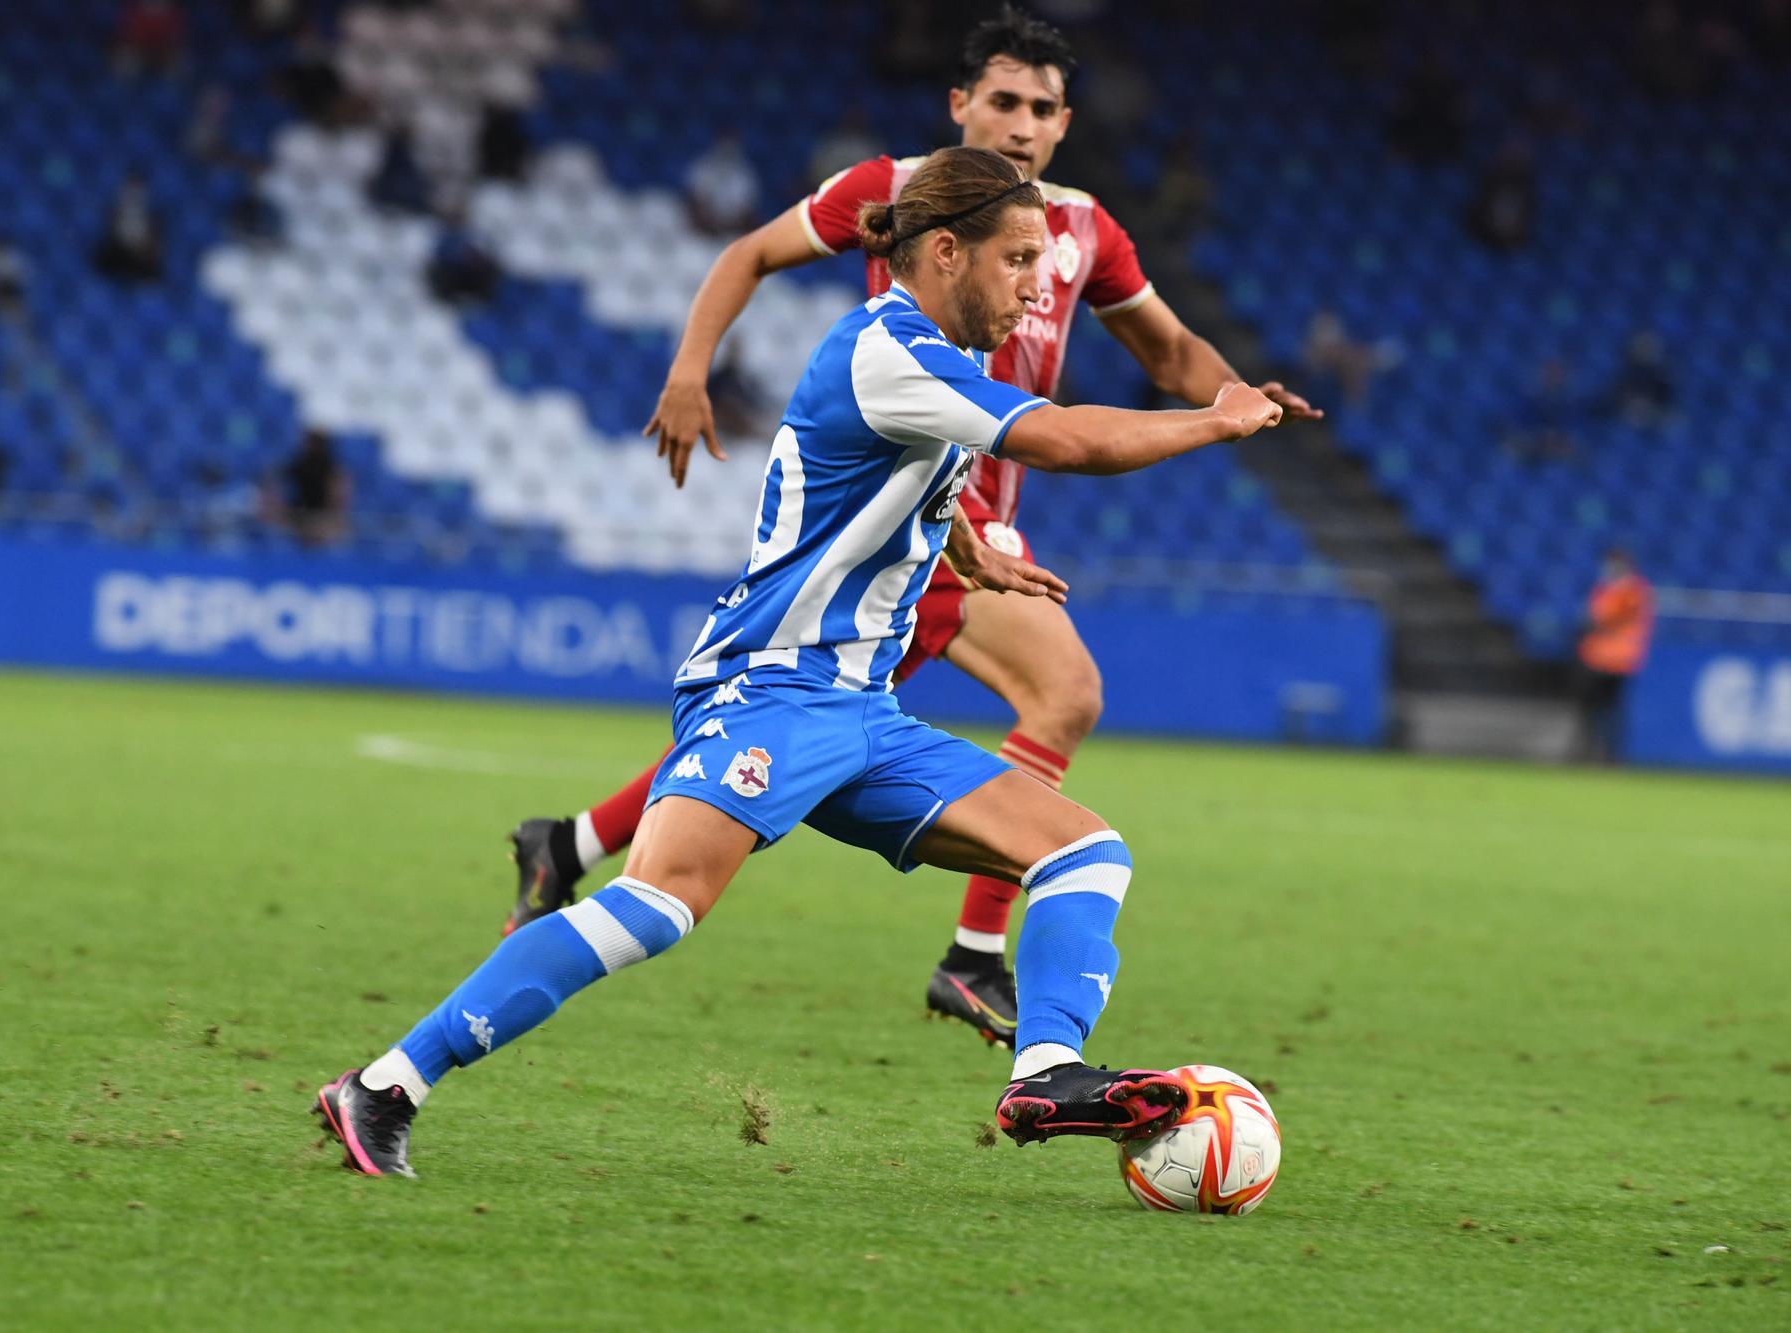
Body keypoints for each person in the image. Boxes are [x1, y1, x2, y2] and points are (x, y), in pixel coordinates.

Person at [312, 145, 1285, 1178]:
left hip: (859, 713)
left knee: (1083, 852)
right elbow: (1067, 444)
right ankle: (381, 1086)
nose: (1037, 285)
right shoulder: (890, 350)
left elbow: (889, 474)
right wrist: (1213, 417)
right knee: (655, 905)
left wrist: (961, 547)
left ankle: (1042, 1070)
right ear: (945, 251)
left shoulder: (932, 360)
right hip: (769, 689)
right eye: (1015, 259)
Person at [501, 5, 1319, 1050]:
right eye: (1003, 101)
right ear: (960, 104)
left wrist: (1236, 396)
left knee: (811, 720)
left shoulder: (1084, 231)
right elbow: (748, 254)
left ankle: (569, 844)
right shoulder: (889, 194)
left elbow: (1167, 351)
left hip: (969, 514)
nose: (1021, 124)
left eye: (1043, 108)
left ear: (1064, 124)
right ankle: (974, 957)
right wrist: (687, 368)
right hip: (917, 507)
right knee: (1053, 693)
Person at [1575, 549, 1655, 763]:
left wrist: (1595, 619)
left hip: (1619, 660)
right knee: (1591, 708)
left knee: (1612, 709)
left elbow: (1605, 617)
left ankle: (1611, 754)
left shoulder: (1633, 590)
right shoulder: (1605, 588)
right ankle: (1588, 751)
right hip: (1597, 657)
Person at [265, 428, 351, 547]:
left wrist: (334, 512)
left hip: (322, 516)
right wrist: (277, 506)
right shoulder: (299, 464)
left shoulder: (331, 467)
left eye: (309, 443)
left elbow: (340, 493)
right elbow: (276, 481)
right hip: (300, 514)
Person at [92, 172, 165, 283]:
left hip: (139, 258)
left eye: (137, 190)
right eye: (131, 190)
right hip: (119, 254)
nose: (134, 194)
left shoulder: (153, 217)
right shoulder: (115, 212)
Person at [684, 132, 761, 235]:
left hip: (733, 230)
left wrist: (727, 226)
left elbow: (745, 210)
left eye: (731, 145)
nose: (727, 149)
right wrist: (709, 223)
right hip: (703, 230)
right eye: (724, 144)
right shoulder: (703, 167)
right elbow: (695, 201)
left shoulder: (746, 173)